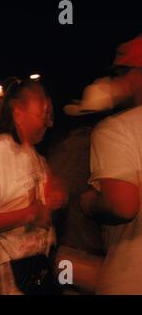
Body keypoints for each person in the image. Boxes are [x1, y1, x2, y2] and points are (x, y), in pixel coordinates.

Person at [0, 79, 66, 295]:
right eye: (43, 112)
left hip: (37, 273)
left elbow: (45, 204)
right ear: (18, 112)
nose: (48, 122)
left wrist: (54, 199)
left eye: (49, 113)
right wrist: (31, 213)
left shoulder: (33, 154)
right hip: (12, 279)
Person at [79, 35, 142, 294]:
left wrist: (89, 202)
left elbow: (122, 205)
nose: (117, 82)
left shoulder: (116, 130)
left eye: (122, 72)